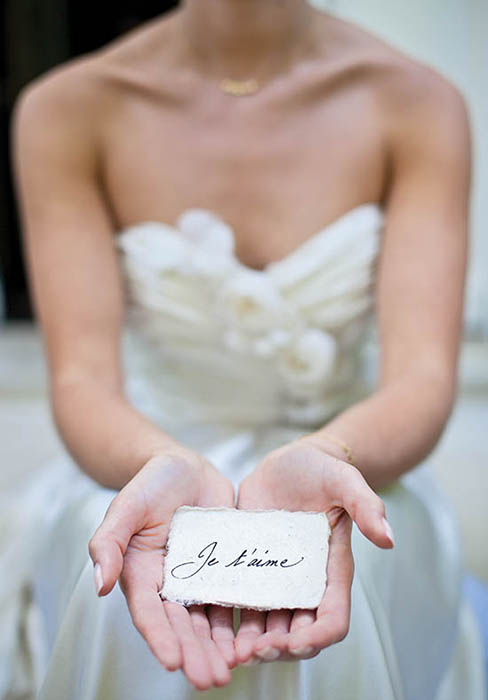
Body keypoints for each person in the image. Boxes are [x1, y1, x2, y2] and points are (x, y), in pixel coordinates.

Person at [4, 0, 486, 698]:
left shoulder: (417, 102)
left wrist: (328, 456)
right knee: (114, 572)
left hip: (353, 457)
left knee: (345, 571)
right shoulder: (68, 108)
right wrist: (159, 463)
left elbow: (424, 375)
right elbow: (81, 379)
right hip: (140, 456)